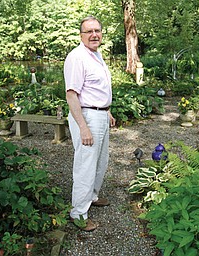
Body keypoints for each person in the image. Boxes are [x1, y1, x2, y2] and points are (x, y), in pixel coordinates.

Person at [64, 16, 116, 232]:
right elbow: (72, 95)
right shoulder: (77, 57)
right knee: (86, 165)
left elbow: (95, 89)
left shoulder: (96, 55)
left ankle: (92, 197)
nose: (94, 35)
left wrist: (107, 111)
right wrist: (83, 126)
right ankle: (78, 213)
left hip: (100, 115)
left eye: (97, 30)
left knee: (100, 161)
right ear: (81, 35)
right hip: (86, 117)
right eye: (89, 31)